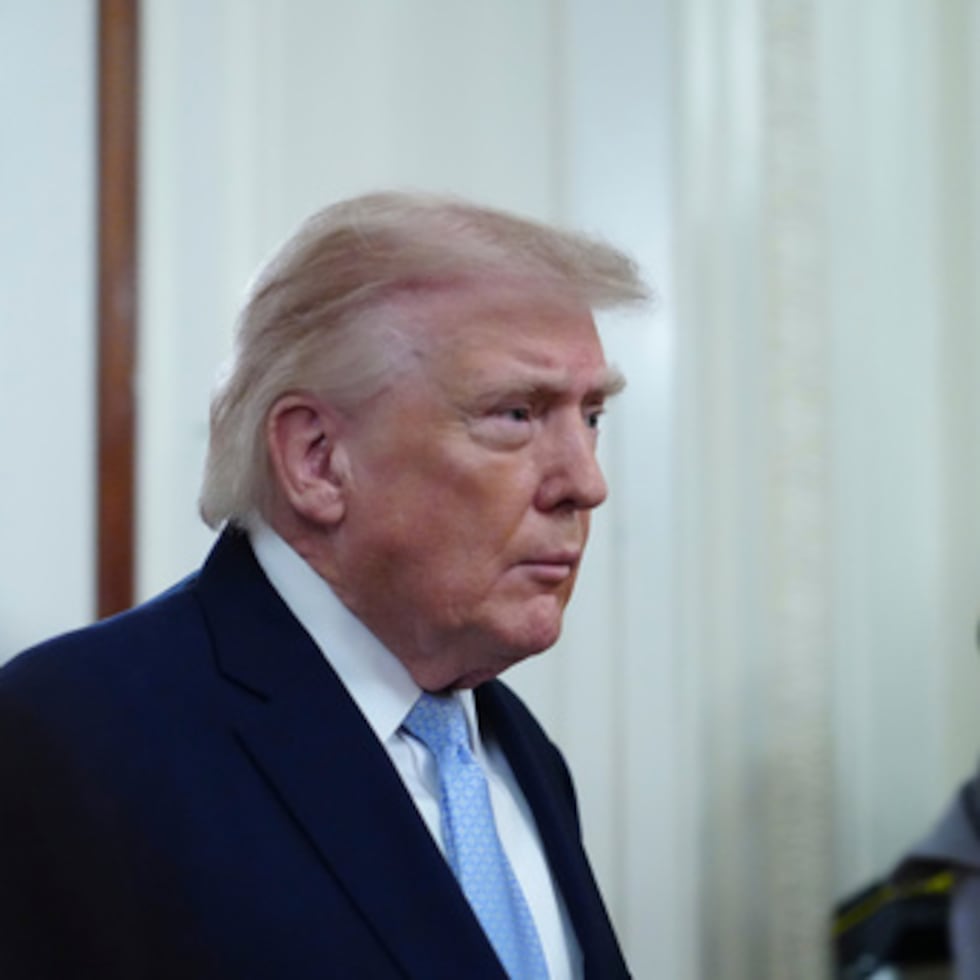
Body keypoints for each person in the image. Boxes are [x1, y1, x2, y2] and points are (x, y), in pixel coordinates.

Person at [0, 191, 648, 979]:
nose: (586, 481)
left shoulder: (517, 751)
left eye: (591, 418)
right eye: (516, 413)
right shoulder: (69, 739)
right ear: (315, 459)